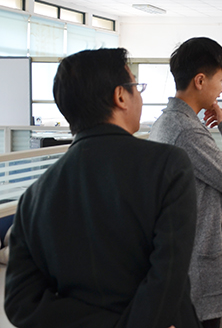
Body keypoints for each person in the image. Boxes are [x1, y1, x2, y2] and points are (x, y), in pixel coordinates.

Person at [4, 48, 201, 328]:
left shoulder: (34, 197)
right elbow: (168, 275)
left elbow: (21, 302)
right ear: (120, 96)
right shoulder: (168, 165)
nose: (140, 97)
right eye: (136, 87)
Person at [149, 37, 222, 328]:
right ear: (200, 80)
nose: (221, 89)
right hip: (196, 273)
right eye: (221, 80)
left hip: (184, 265)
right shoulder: (187, 132)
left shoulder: (166, 122)